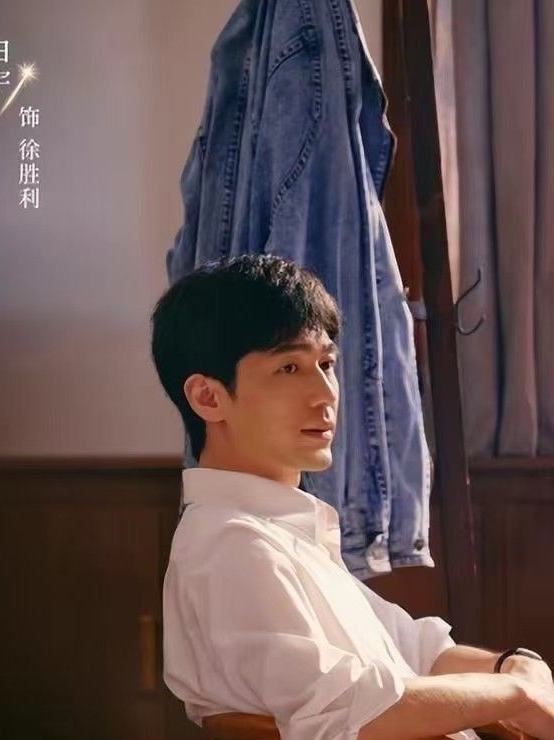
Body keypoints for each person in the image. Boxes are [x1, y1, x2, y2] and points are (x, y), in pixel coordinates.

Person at [150, 254, 554, 740]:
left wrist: (516, 666)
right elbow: (350, 713)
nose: (325, 393)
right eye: (289, 367)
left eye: (326, 364)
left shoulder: (280, 531)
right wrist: (516, 694)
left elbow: (419, 650)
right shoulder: (230, 543)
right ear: (208, 397)